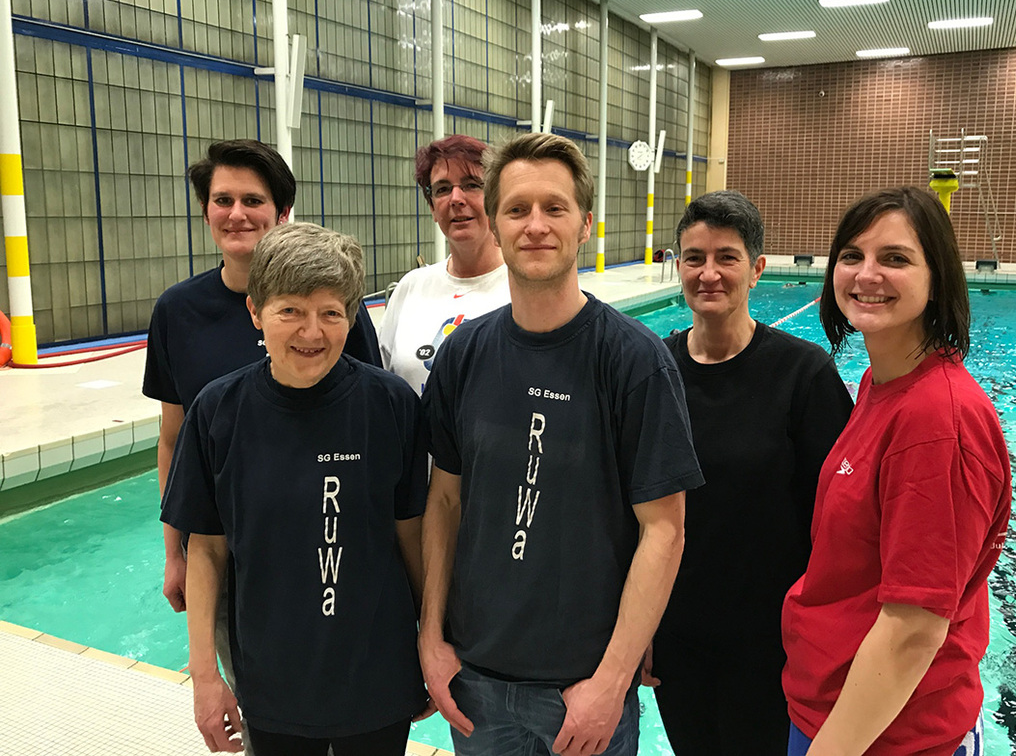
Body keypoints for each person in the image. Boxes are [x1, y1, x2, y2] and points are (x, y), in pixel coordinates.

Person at [418, 132, 705, 756]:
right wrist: (432, 640)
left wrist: (611, 679)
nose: (536, 226)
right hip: (477, 680)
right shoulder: (464, 355)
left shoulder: (634, 360)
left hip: (582, 690)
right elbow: (444, 502)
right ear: (495, 222)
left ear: (585, 225)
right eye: (518, 209)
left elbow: (666, 531)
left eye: (556, 208)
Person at [161, 222, 429, 755]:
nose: (313, 332)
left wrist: (429, 642)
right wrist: (206, 677)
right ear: (256, 312)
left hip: (375, 672)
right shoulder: (218, 411)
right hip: (271, 678)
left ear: (351, 319)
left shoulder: (390, 405)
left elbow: (412, 536)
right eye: (291, 311)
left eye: (331, 313)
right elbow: (207, 552)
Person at [782, 187, 1012, 756]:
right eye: (852, 255)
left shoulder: (938, 421)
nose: (867, 274)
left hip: (893, 737)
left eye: (896, 258)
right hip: (837, 711)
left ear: (938, 279)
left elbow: (913, 629)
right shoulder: (881, 383)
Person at [650, 191, 852, 755]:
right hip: (678, 639)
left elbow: (838, 519)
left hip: (772, 644)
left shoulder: (802, 374)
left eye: (727, 257)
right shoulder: (655, 370)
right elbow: (632, 509)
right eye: (694, 257)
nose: (708, 273)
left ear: (757, 269)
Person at [145, 139, 381, 619]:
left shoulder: (331, 314)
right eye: (223, 200)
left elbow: (373, 424)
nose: (237, 214)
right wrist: (175, 552)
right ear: (206, 211)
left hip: (329, 540)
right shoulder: (177, 311)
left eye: (253, 201)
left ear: (281, 212)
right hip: (227, 547)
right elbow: (173, 440)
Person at [378, 134, 509, 395]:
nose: (456, 199)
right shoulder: (410, 288)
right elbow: (382, 383)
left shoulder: (522, 289)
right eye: (442, 189)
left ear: (495, 198)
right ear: (433, 209)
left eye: (472, 185)